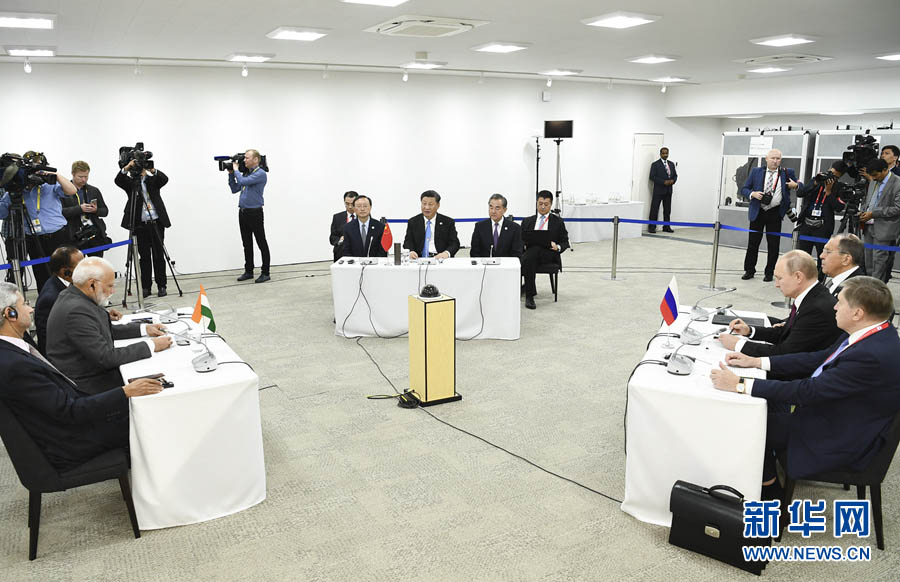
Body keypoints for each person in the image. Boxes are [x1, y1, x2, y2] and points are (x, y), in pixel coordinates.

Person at [710, 277, 900, 499]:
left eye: (839, 302)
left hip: (838, 434)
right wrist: (756, 362)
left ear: (858, 313)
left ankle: (772, 494)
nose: (835, 307)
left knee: (747, 423)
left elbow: (808, 391)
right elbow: (817, 359)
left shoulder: (870, 355)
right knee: (765, 402)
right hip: (836, 411)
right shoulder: (873, 332)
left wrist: (740, 384)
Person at [0, 282, 164, 472]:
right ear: (9, 313)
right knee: (153, 415)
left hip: (68, 423)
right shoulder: (14, 365)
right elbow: (69, 411)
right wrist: (124, 392)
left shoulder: (12, 348)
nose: (30, 309)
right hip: (71, 443)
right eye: (24, 304)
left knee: (142, 404)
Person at [46, 257, 172, 395]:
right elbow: (105, 357)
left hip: (93, 375)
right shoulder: (76, 310)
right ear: (92, 284)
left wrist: (144, 329)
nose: (112, 292)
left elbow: (101, 329)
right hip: (89, 387)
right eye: (110, 286)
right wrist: (151, 346)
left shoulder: (76, 296)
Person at [719, 250, 841, 357]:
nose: (776, 284)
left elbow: (785, 352)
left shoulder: (816, 308)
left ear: (798, 277)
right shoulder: (811, 295)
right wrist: (750, 331)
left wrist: (739, 345)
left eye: (780, 278)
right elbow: (786, 333)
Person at [0, 151, 77, 293]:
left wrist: (56, 175)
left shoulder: (49, 185)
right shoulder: (19, 189)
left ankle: (68, 299)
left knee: (65, 273)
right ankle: (47, 304)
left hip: (57, 235)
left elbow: (72, 190)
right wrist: (11, 190)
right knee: (42, 275)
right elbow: (2, 213)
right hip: (34, 238)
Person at [740, 149, 802, 281]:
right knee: (753, 244)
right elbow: (744, 189)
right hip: (758, 211)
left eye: (778, 158)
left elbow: (800, 186)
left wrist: (795, 185)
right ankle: (749, 270)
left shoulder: (787, 172)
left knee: (773, 244)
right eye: (773, 158)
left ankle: (769, 272)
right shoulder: (756, 171)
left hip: (775, 212)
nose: (775, 161)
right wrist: (753, 194)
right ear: (766, 159)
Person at [115, 159, 171, 297]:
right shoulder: (131, 183)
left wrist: (151, 170)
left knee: (158, 255)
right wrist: (127, 167)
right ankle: (146, 287)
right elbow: (118, 180)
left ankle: (161, 285)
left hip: (156, 222)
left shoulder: (152, 180)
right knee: (144, 257)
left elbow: (164, 179)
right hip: (140, 224)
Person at [795, 161, 847, 276]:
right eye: (830, 172)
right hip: (806, 224)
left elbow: (839, 207)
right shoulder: (817, 180)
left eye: (834, 175)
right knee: (803, 255)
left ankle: (819, 281)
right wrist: (815, 182)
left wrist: (828, 192)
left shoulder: (840, 187)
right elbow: (800, 193)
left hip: (823, 226)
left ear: (839, 176)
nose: (830, 176)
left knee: (822, 257)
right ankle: (802, 278)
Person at [520, 190, 570, 310]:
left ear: (551, 204)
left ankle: (528, 293)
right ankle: (530, 292)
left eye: (546, 204)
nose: (542, 207)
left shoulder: (558, 221)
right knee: (532, 254)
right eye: (540, 203)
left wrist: (557, 247)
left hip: (549, 253)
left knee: (530, 255)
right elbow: (520, 239)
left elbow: (565, 242)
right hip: (531, 254)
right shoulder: (527, 221)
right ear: (536, 203)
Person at [228, 149, 270, 283]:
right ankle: (249, 271)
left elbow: (242, 182)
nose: (244, 160)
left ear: (256, 160)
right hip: (243, 212)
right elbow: (235, 188)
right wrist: (230, 174)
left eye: (247, 158)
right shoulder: (247, 174)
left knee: (261, 242)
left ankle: (265, 272)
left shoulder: (260, 174)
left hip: (255, 213)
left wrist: (235, 169)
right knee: (247, 243)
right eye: (244, 158)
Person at [34, 246, 83, 354]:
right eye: (81, 266)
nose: (86, 269)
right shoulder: (51, 298)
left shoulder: (71, 284)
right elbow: (51, 338)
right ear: (65, 272)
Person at [858, 158, 900, 282]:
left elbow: (897, 208)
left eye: (876, 175)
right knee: (868, 262)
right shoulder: (873, 180)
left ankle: (876, 294)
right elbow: (869, 200)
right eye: (872, 175)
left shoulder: (897, 183)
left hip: (885, 230)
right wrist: (864, 211)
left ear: (884, 170)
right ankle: (870, 290)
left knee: (879, 263)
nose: (874, 178)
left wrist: (874, 214)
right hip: (868, 227)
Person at [61, 160, 110, 257]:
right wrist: (80, 209)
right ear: (73, 174)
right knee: (78, 269)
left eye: (86, 176)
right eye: (80, 177)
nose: (83, 180)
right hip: (74, 236)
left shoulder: (93, 190)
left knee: (96, 267)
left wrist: (96, 210)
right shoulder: (63, 191)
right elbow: (61, 212)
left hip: (94, 234)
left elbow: (105, 211)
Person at [404, 190, 460, 260]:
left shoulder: (448, 222)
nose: (426, 207)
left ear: (438, 205)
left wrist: (446, 253)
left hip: (440, 258)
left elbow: (454, 243)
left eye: (430, 204)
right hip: (419, 259)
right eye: (424, 204)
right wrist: (411, 251)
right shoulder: (413, 222)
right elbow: (408, 242)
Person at [470, 194, 523, 258]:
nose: (493, 211)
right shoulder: (480, 227)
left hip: (506, 266)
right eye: (491, 207)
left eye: (497, 208)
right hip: (484, 266)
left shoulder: (515, 228)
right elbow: (474, 252)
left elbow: (517, 253)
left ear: (504, 210)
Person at [820, 233, 864, 297]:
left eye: (828, 252)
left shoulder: (857, 291)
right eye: (823, 251)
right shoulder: (834, 283)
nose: (821, 256)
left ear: (846, 259)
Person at [647, 147, 677, 233]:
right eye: (663, 153)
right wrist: (664, 182)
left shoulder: (671, 164)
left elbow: (675, 175)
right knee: (654, 209)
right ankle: (652, 227)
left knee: (667, 210)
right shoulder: (655, 164)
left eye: (666, 153)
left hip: (668, 191)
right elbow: (652, 177)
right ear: (660, 154)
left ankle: (666, 226)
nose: (665, 155)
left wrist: (673, 181)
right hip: (658, 191)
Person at [330, 191, 357, 262]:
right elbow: (332, 237)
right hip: (342, 252)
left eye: (352, 204)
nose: (350, 207)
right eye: (347, 204)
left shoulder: (363, 216)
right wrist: (340, 240)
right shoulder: (337, 217)